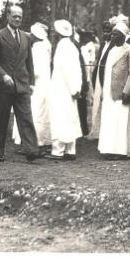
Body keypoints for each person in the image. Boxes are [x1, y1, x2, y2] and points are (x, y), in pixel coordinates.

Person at [0, 5, 41, 162]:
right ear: (8, 17)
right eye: (14, 16)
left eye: (20, 16)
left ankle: (31, 150)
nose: (17, 19)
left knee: (26, 117)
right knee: (1, 119)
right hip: (4, 86)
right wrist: (3, 75)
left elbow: (29, 62)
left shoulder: (26, 37)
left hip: (22, 84)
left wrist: (31, 82)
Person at [98, 22, 130, 160]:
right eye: (112, 33)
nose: (112, 35)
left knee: (122, 121)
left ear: (123, 35)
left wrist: (127, 91)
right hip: (110, 92)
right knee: (111, 120)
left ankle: (121, 151)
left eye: (116, 34)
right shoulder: (111, 50)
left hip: (122, 92)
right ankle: (109, 148)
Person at [13, 23, 52, 150]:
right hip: (44, 84)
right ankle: (38, 140)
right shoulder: (46, 47)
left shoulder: (37, 49)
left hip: (37, 85)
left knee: (34, 112)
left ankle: (34, 141)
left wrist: (23, 74)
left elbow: (36, 71)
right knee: (40, 112)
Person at [49, 20, 83, 160]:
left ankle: (58, 151)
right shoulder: (71, 46)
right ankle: (70, 150)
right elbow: (77, 70)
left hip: (63, 89)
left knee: (60, 118)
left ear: (58, 33)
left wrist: (74, 88)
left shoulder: (63, 47)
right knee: (69, 117)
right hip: (67, 88)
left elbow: (70, 70)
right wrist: (76, 88)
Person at [89, 21, 113, 139]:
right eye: (104, 31)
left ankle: (103, 132)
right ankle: (95, 130)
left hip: (106, 77)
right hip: (99, 76)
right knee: (97, 102)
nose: (106, 34)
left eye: (108, 31)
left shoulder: (113, 45)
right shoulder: (104, 44)